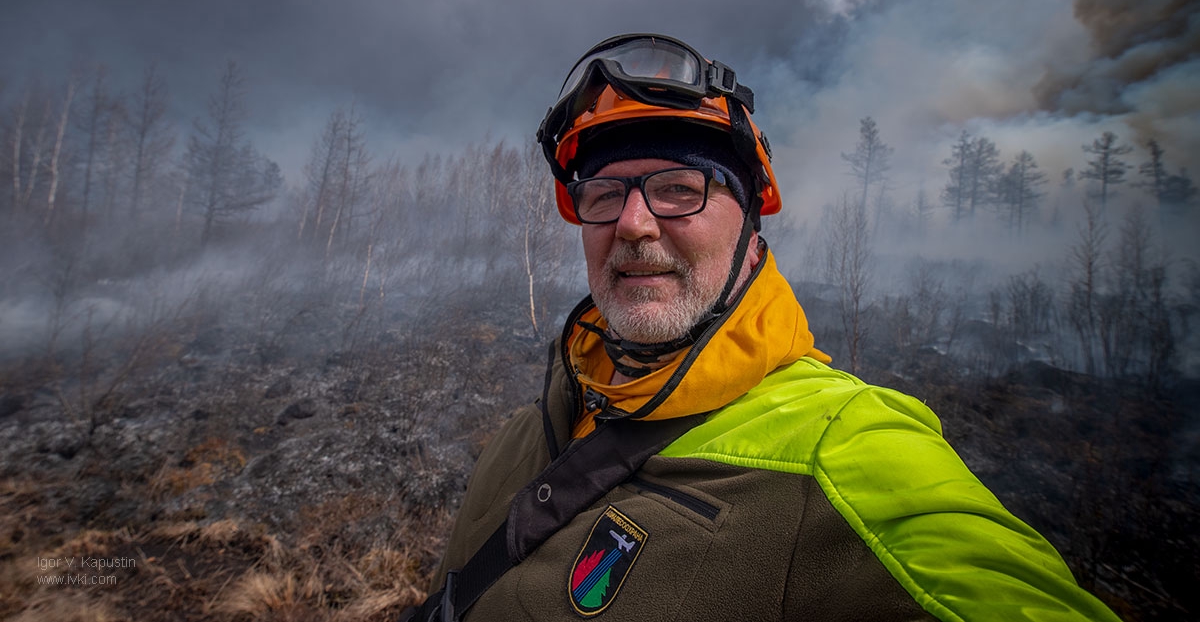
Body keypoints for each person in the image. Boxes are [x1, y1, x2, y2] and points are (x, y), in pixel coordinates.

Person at [404, 33, 1121, 621]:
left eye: (679, 188)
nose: (633, 223)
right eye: (604, 193)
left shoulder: (844, 448)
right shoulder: (538, 422)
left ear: (752, 234)